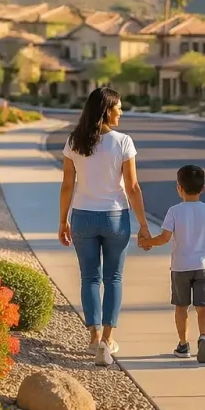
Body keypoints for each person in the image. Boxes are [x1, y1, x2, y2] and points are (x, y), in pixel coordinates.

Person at [58, 86, 150, 367]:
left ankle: (93, 338)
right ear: (106, 110)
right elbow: (132, 187)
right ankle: (108, 341)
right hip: (114, 217)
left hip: (83, 216)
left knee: (89, 278)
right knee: (113, 279)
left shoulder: (74, 141)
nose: (121, 112)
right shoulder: (123, 142)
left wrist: (62, 220)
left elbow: (67, 185)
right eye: (118, 107)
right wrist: (144, 224)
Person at [139, 164, 205, 363]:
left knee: (181, 307)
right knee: (203, 307)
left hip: (181, 266)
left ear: (179, 188)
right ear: (203, 189)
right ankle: (203, 337)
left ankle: (183, 344)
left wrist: (147, 242)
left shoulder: (174, 211)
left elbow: (165, 238)